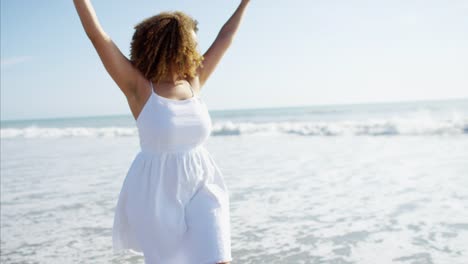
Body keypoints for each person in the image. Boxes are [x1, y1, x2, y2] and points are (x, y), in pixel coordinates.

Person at [73, 1, 250, 263]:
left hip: (203, 182)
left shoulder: (194, 82)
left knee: (219, 258)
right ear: (176, 46)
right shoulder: (139, 88)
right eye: (191, 42)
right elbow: (98, 36)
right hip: (157, 192)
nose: (196, 49)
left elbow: (226, 37)